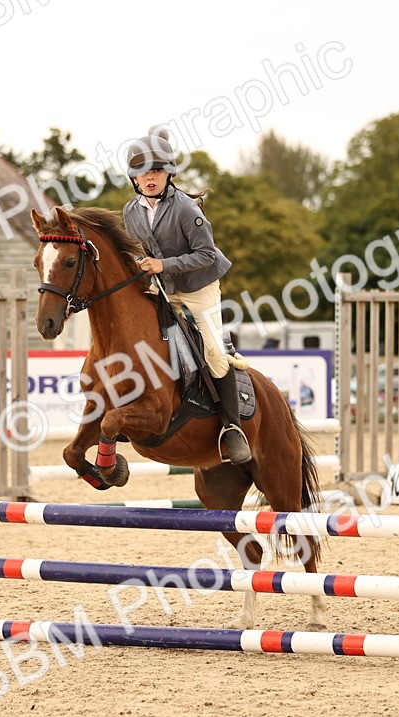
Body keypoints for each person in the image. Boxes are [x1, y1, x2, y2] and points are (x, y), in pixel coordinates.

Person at [122, 128, 251, 465]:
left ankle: (232, 428)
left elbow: (206, 254)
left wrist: (162, 264)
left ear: (169, 174)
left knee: (214, 352)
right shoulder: (130, 211)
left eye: (156, 171)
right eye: (143, 173)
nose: (150, 178)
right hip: (164, 286)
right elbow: (139, 252)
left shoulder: (185, 208)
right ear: (134, 178)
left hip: (198, 287)